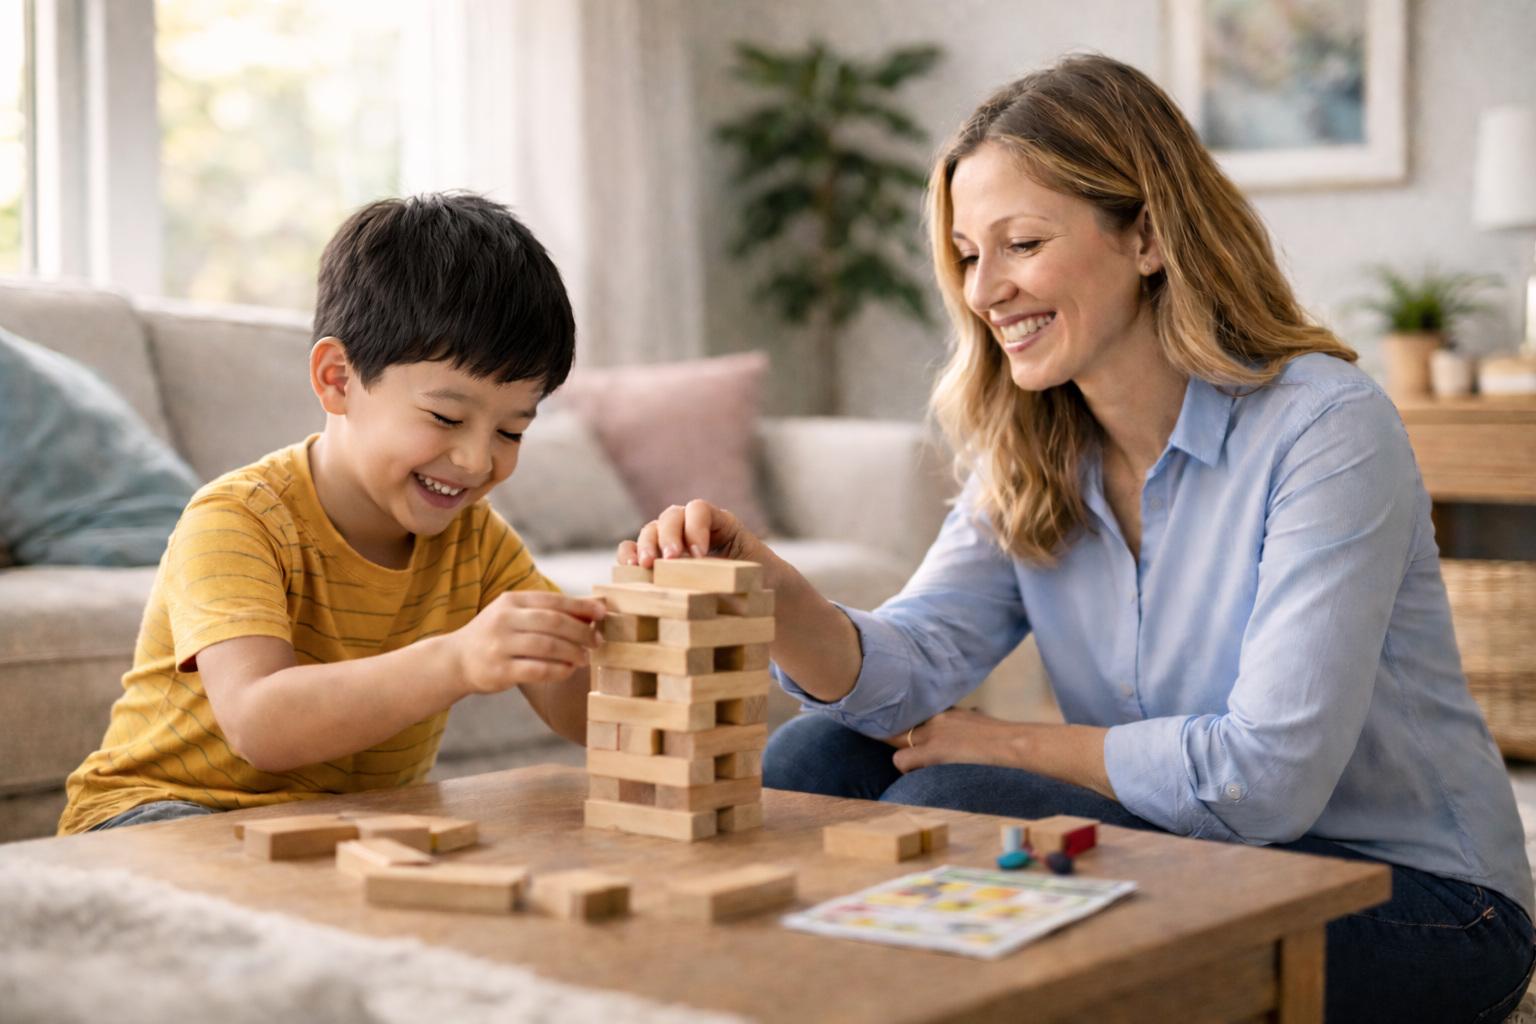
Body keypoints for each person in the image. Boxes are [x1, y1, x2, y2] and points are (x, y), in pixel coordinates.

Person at [620, 56, 1534, 1022]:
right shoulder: (1032, 445)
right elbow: (915, 665)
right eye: (970, 255)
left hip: (1424, 907)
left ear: (1145, 235)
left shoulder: (1324, 426)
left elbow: (1263, 782)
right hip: (1198, 853)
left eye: (1021, 243)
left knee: (962, 803)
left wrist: (1007, 741)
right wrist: (771, 587)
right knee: (814, 763)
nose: (985, 291)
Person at [59, 193, 604, 835]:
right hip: (161, 812)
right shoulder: (237, 519)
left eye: (511, 431)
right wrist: (456, 661)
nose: (476, 458)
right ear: (337, 378)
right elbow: (260, 723)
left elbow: (583, 716)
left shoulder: (478, 543)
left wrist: (634, 636)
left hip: (341, 829)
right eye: (447, 418)